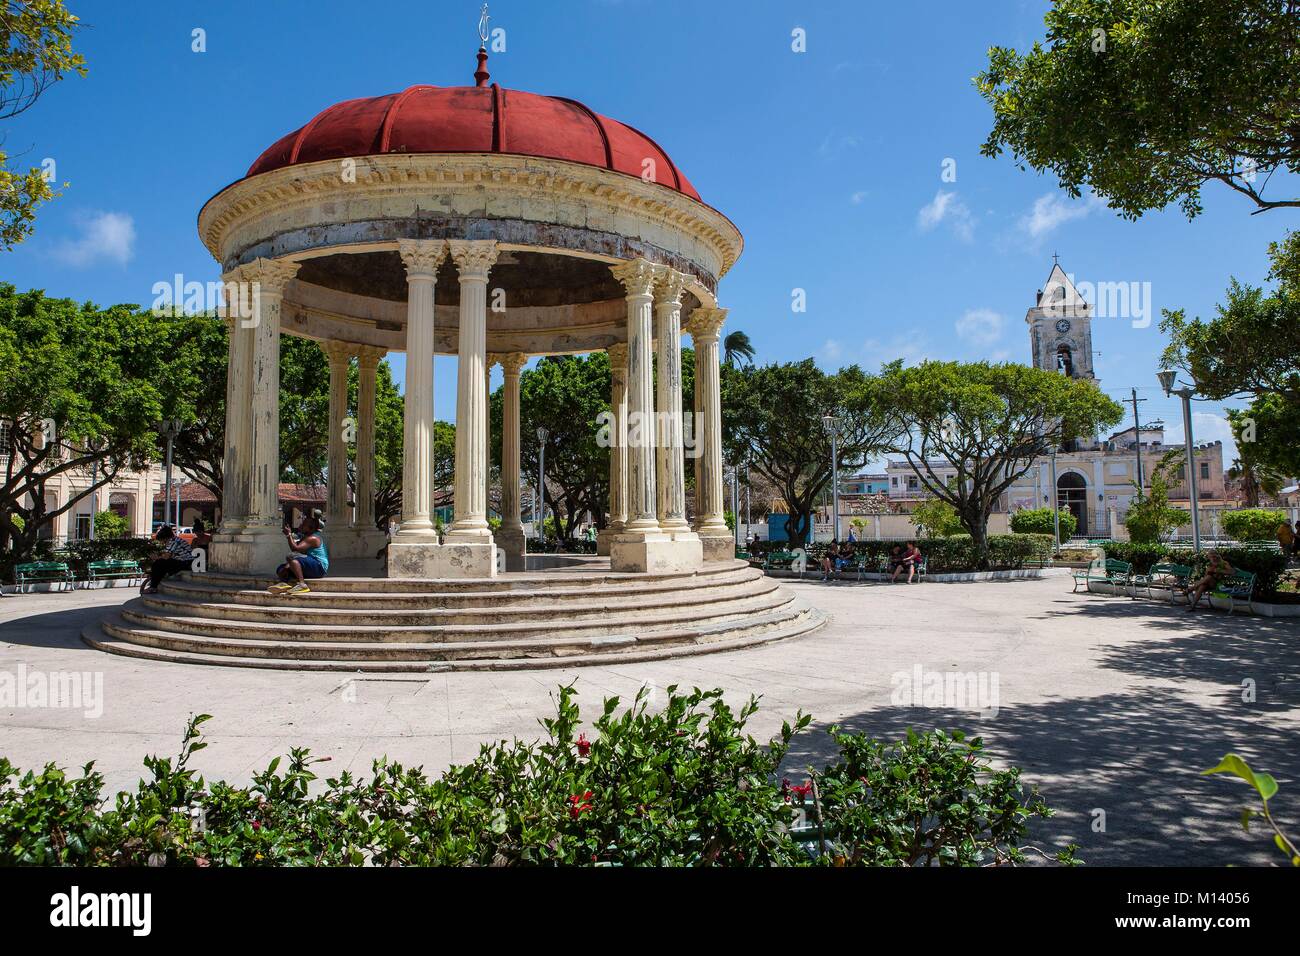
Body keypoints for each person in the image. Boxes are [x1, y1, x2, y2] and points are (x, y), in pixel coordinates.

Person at [269, 511, 328, 595]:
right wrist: (287, 566)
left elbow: (295, 549)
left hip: (319, 567)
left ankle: (302, 585)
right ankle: (284, 583)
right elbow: (297, 549)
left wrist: (289, 535)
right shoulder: (306, 537)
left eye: (303, 525)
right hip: (311, 565)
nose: (300, 526)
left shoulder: (313, 538)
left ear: (311, 528)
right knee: (281, 569)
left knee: (291, 557)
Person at [142, 525, 193, 594]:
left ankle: (153, 587)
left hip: (186, 562)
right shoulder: (175, 540)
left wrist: (156, 557)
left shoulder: (174, 541)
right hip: (184, 561)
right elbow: (167, 554)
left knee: (158, 563)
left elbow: (166, 556)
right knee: (160, 563)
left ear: (165, 538)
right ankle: (158, 579)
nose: (162, 543)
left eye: (162, 541)